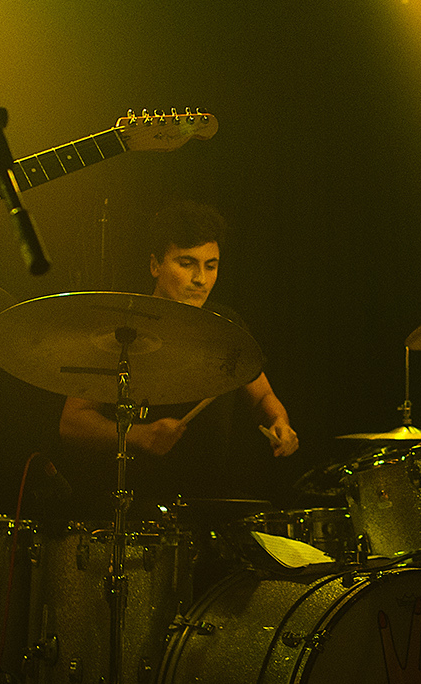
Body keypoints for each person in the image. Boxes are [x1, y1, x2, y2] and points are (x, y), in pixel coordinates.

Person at [57, 200, 298, 520]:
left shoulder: (226, 326)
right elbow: (72, 423)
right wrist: (140, 436)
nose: (201, 278)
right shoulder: (123, 329)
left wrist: (279, 422)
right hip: (131, 509)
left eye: (210, 266)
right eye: (187, 263)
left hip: (207, 505)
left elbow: (262, 396)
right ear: (156, 265)